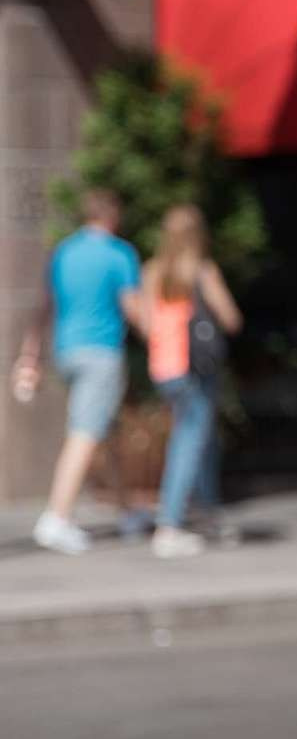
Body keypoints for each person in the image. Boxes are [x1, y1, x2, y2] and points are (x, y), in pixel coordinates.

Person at [13, 188, 144, 554]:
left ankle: (125, 509)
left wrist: (30, 354)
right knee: (85, 432)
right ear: (113, 216)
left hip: (66, 350)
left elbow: (43, 306)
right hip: (100, 350)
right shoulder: (120, 254)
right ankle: (56, 517)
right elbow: (134, 309)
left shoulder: (64, 252)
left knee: (105, 429)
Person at [139, 205, 243, 559]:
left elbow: (146, 323)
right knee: (189, 440)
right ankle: (169, 524)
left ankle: (205, 509)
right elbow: (231, 318)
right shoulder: (201, 270)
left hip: (164, 366)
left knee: (199, 438)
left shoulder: (152, 272)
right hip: (195, 367)